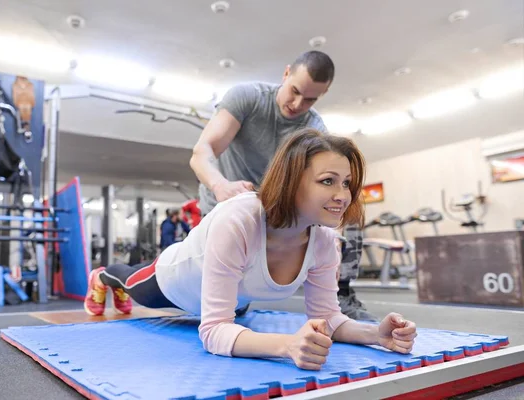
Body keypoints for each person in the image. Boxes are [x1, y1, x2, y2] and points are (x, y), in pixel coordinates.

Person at [84, 130, 417, 370]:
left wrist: (376, 334)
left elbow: (327, 318)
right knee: (127, 279)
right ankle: (101, 277)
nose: (342, 195)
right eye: (328, 181)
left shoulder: (325, 242)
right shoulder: (239, 220)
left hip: (233, 300)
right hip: (175, 281)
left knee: (237, 314)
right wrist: (286, 346)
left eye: (346, 183)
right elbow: (213, 332)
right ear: (291, 180)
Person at [189, 50, 373, 321]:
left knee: (238, 305)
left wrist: (332, 236)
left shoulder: (313, 126)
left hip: (269, 211)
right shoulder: (248, 98)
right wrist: (220, 186)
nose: (298, 104)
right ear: (286, 73)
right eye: (295, 91)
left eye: (310, 99)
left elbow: (316, 189)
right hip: (225, 205)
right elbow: (202, 151)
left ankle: (342, 297)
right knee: (200, 297)